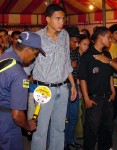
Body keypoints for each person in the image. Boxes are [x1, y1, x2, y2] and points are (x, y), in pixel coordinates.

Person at [31, 4, 77, 150]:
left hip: (63, 89)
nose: (61, 22)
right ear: (47, 19)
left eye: (63, 19)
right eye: (57, 19)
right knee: (40, 131)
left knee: (59, 129)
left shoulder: (65, 35)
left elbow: (66, 62)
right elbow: (27, 65)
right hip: (44, 90)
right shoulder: (37, 37)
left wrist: (73, 85)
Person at [0, 30, 45, 150]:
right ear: (27, 50)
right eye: (35, 54)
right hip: (7, 121)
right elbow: (16, 115)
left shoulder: (5, 57)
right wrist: (28, 126)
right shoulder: (19, 75)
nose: (34, 58)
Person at [79, 26, 115, 150]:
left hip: (108, 97)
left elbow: (110, 75)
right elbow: (82, 79)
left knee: (107, 129)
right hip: (94, 99)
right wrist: (86, 99)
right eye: (109, 37)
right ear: (100, 36)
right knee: (91, 132)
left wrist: (113, 90)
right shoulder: (87, 56)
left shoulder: (107, 54)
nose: (111, 40)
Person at [64, 26, 85, 150]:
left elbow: (79, 70)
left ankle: (70, 140)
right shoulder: (62, 52)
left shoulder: (77, 53)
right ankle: (64, 143)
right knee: (64, 118)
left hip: (74, 86)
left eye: (78, 42)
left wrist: (79, 88)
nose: (77, 44)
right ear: (67, 39)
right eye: (74, 41)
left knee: (74, 115)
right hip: (62, 87)